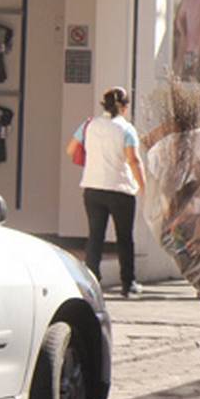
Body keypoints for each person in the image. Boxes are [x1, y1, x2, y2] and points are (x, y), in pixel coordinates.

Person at [66, 87, 145, 298]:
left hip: (92, 187)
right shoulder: (126, 129)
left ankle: (92, 282)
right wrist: (143, 186)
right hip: (120, 189)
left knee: (95, 236)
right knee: (124, 238)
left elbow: (71, 149)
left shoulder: (89, 124)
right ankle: (128, 284)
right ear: (125, 107)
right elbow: (133, 160)